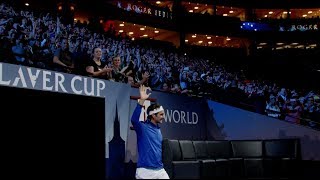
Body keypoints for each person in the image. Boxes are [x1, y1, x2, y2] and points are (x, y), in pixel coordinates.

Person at [131, 85, 169, 179]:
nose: (163, 116)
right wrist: (142, 100)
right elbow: (134, 120)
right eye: (161, 114)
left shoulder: (158, 129)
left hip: (160, 170)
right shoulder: (143, 127)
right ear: (153, 115)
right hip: (145, 171)